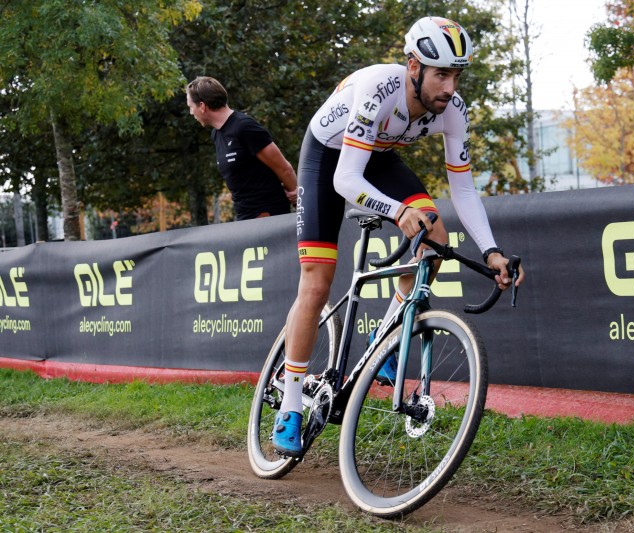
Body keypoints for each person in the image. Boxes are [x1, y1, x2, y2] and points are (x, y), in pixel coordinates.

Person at [272, 17, 526, 456]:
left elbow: (463, 188)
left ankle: (385, 338)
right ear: (413, 66)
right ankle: (291, 405)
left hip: (380, 155)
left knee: (435, 236)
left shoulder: (454, 111)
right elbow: (345, 179)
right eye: (441, 74)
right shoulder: (378, 87)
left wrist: (491, 251)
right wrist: (396, 210)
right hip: (329, 158)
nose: (449, 87)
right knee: (316, 283)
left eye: (456, 75)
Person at [186, 76, 298, 220]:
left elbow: (284, 168)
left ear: (202, 106)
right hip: (244, 216)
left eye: (191, 107)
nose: (191, 112)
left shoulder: (244, 127)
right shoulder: (216, 134)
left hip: (267, 215)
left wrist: (296, 194)